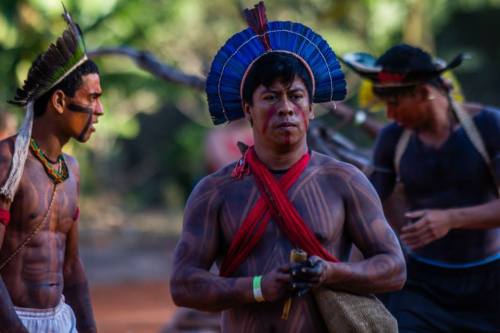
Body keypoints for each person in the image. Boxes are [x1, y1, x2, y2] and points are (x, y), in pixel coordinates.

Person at [170, 3, 406, 332]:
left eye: (295, 96)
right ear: (248, 109)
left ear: (311, 109)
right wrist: (256, 288)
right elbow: (182, 284)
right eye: (270, 97)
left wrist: (330, 272)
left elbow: (394, 269)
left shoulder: (344, 181)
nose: (285, 108)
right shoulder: (215, 192)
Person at [343, 44, 500, 332]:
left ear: (424, 92)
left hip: (491, 285)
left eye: (395, 103)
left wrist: (451, 219)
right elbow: (364, 206)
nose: (389, 115)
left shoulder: (490, 127)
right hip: (421, 290)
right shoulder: (392, 140)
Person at [0, 8, 102, 333]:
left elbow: (71, 267)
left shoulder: (70, 171)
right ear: (59, 102)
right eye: (93, 98)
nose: (100, 110)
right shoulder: (7, 163)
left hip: (60, 321)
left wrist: (87, 327)